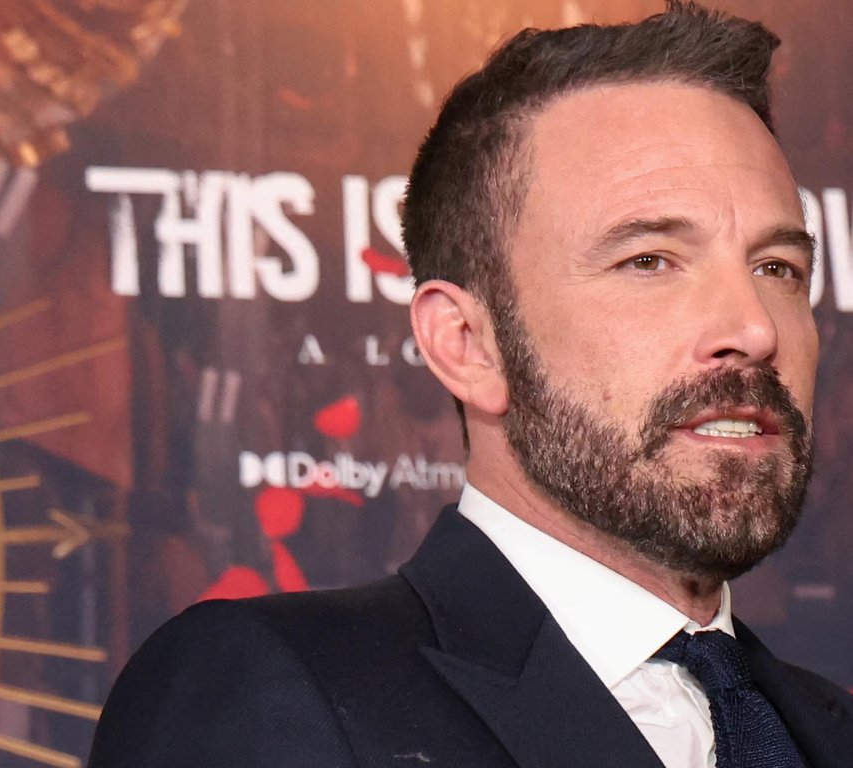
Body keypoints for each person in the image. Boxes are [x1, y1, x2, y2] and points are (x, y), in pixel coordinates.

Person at [88, 2, 853, 766]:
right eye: (649, 261)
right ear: (467, 345)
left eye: (778, 268)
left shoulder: (830, 729)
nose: (755, 328)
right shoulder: (270, 690)